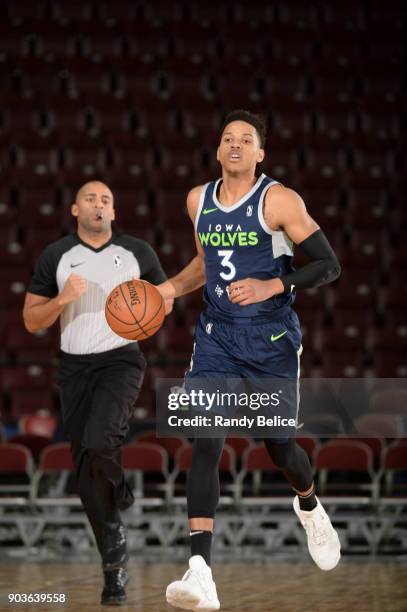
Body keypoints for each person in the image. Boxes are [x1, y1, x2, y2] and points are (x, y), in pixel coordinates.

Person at [159, 110, 342, 611]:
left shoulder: (279, 200)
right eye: (227, 138)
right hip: (217, 335)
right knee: (205, 438)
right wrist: (169, 289)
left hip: (272, 340)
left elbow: (329, 264)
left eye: (246, 139)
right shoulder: (198, 201)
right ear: (217, 151)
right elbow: (205, 264)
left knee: (280, 448)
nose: (235, 145)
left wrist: (274, 283)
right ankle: (201, 572)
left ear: (260, 153)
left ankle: (309, 504)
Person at [23, 181, 171, 606]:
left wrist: (157, 301)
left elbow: (165, 299)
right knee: (86, 471)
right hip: (73, 368)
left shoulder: (137, 252)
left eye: (107, 198)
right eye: (91, 198)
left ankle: (121, 493)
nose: (99, 204)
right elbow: (32, 320)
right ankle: (113, 566)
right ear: (75, 209)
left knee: (99, 440)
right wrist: (62, 299)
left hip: (120, 361)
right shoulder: (58, 256)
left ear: (114, 210)